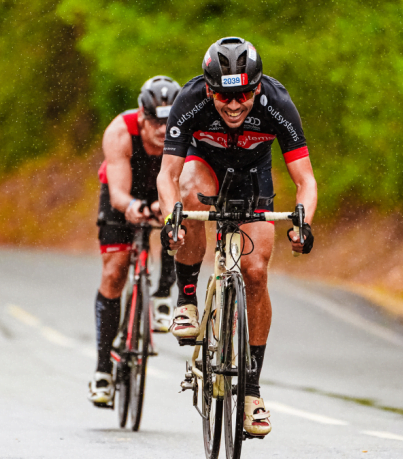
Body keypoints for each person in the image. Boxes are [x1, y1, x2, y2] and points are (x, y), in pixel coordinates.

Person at [157, 37, 317, 436]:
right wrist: (170, 220)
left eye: (244, 94)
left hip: (252, 176)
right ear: (208, 89)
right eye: (224, 96)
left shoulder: (277, 103)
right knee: (189, 194)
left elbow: (305, 180)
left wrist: (304, 224)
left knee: (256, 271)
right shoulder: (191, 99)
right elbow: (168, 175)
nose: (233, 105)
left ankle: (250, 392)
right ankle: (188, 299)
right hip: (202, 164)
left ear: (257, 87)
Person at [89, 76, 181, 406]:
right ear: (142, 116)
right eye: (156, 120)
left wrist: (165, 208)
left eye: (169, 120)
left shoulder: (184, 131)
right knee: (115, 271)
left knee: (180, 226)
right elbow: (116, 194)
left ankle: (161, 295)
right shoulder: (119, 131)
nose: (163, 128)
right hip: (123, 194)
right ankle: (102, 369)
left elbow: (188, 181)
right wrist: (134, 207)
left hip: (164, 193)